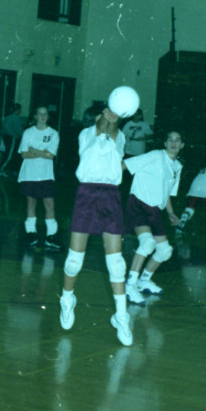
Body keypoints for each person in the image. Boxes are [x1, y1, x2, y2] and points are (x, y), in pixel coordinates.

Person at [59, 102, 133, 347]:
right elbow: (101, 127)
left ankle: (121, 316)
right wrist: (106, 117)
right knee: (74, 260)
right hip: (87, 193)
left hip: (110, 195)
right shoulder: (86, 134)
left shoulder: (119, 135)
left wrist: (114, 119)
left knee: (117, 264)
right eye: (105, 115)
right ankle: (67, 299)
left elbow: (111, 130)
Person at [123, 130, 184, 304]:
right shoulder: (155, 155)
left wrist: (170, 213)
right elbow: (125, 164)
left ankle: (143, 281)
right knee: (147, 243)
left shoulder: (177, 166)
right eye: (170, 139)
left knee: (165, 251)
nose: (173, 142)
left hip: (155, 210)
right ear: (165, 143)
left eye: (177, 140)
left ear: (182, 145)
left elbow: (168, 193)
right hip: (138, 204)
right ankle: (130, 286)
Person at [17, 106, 60, 249]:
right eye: (40, 114)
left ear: (48, 116)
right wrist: (43, 153)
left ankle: (51, 236)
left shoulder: (53, 134)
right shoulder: (28, 132)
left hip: (46, 175)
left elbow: (51, 155)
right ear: (35, 116)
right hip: (29, 174)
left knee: (50, 205)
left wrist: (34, 150)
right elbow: (24, 154)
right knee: (31, 203)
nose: (42, 116)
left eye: (45, 114)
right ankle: (31, 233)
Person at [0, 103, 24, 177]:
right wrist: (17, 135)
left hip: (6, 137)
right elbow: (19, 130)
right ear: (17, 110)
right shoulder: (16, 118)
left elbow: (4, 128)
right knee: (9, 155)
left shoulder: (8, 117)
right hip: (12, 138)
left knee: (7, 154)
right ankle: (1, 169)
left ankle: (3, 169)